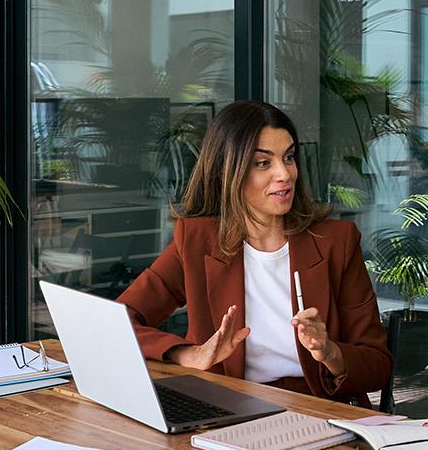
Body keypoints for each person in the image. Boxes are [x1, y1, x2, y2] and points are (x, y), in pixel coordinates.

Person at [118, 100, 392, 405]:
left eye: (288, 157)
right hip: (230, 407)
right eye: (263, 163)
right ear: (227, 171)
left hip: (320, 409)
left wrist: (330, 352)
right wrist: (188, 354)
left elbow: (378, 365)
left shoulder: (335, 242)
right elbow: (120, 319)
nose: (285, 174)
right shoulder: (196, 241)